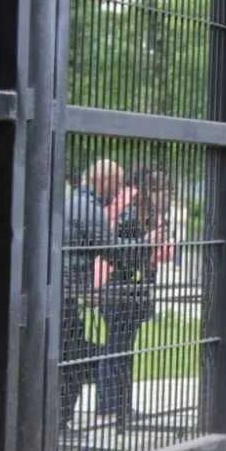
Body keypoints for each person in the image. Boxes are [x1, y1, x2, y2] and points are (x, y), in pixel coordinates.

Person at [96, 167, 172, 430]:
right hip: (119, 289)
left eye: (168, 193)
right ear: (149, 192)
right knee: (117, 348)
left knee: (122, 348)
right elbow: (120, 253)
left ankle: (119, 405)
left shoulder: (152, 217)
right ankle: (112, 406)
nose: (165, 198)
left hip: (134, 291)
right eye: (162, 192)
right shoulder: (130, 217)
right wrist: (145, 241)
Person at [59, 159, 125, 437]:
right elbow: (110, 248)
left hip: (64, 292)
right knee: (71, 357)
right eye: (117, 185)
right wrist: (142, 247)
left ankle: (60, 420)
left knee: (71, 354)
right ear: (105, 181)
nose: (118, 192)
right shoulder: (87, 208)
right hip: (65, 293)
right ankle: (59, 422)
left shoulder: (74, 202)